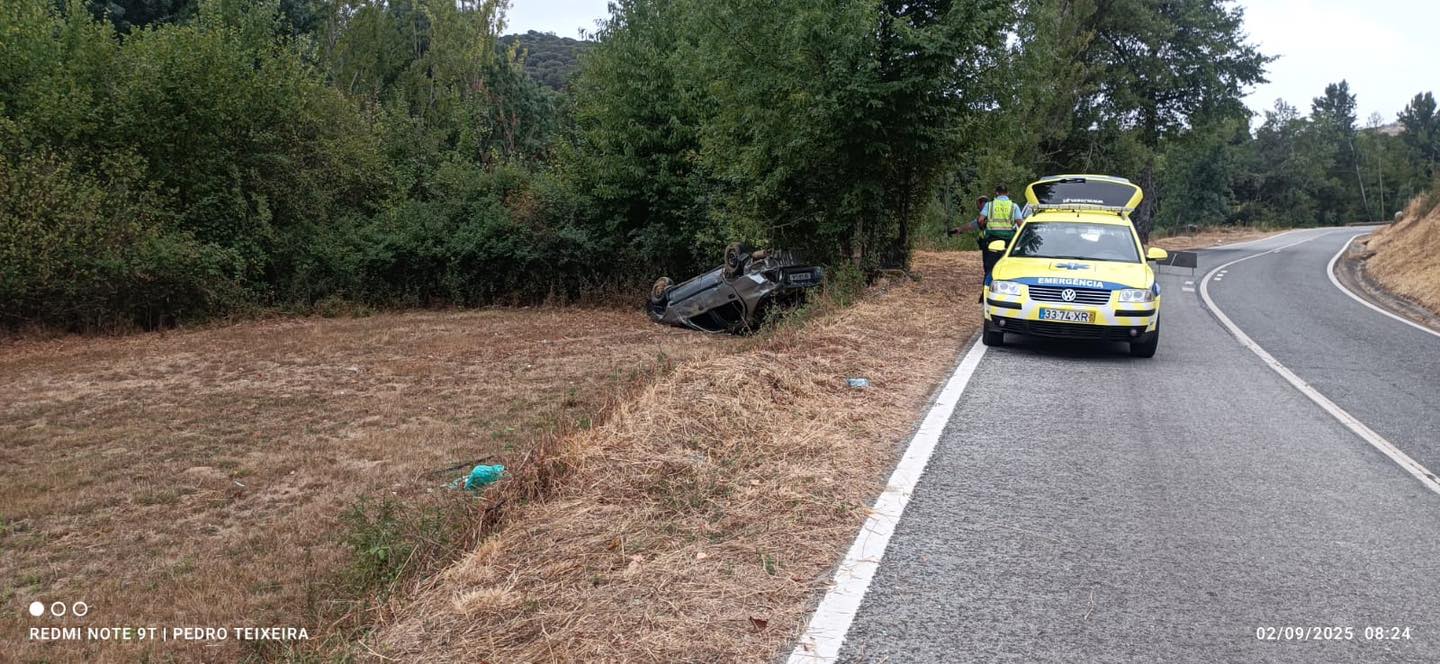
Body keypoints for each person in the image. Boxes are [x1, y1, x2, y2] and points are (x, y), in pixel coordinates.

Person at [976, 185, 1023, 300]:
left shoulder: (989, 205)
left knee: (989, 269)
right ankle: (1007, 296)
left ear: (996, 193)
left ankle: (985, 295)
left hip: (992, 241)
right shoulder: (1014, 206)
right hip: (1008, 242)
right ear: (1007, 193)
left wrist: (983, 226)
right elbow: (1020, 224)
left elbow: (980, 220)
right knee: (1008, 269)